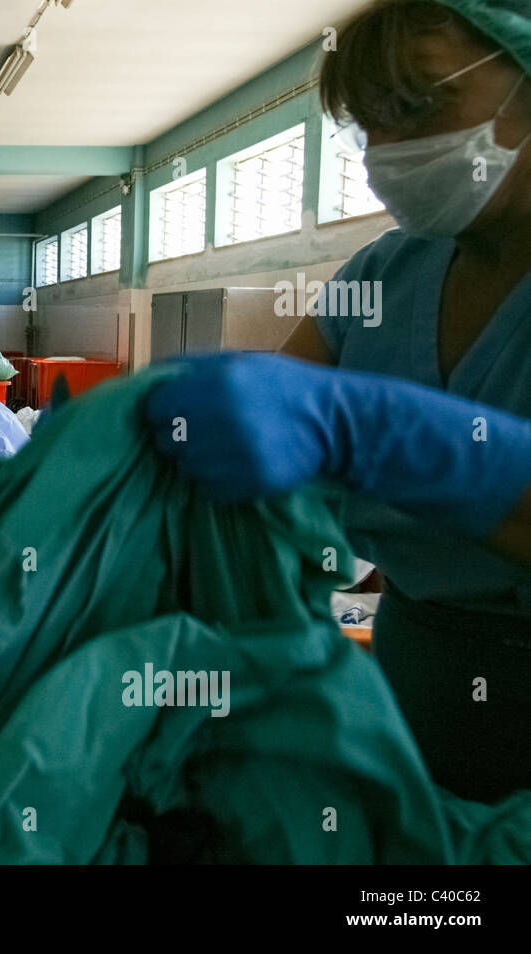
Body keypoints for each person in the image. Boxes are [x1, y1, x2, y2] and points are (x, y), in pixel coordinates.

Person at [145, 0, 531, 802]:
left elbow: (330, 421)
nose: (389, 150)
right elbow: (279, 424)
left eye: (419, 107)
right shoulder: (386, 274)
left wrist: (374, 435)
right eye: (368, 125)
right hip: (416, 665)